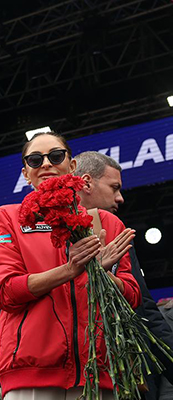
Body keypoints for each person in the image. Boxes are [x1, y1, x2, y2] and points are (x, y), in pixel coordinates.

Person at [0, 132, 140, 399]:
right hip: (32, 375)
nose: (46, 164)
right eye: (35, 160)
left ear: (72, 165)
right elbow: (5, 291)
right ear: (25, 173)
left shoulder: (106, 223)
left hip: (100, 372)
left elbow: (133, 298)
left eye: (56, 156)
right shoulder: (7, 217)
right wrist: (70, 269)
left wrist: (101, 274)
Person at [74, 151, 173, 400]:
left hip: (124, 375)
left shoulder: (117, 232)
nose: (120, 197)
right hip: (68, 376)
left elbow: (143, 309)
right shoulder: (41, 231)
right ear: (86, 183)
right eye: (114, 187)